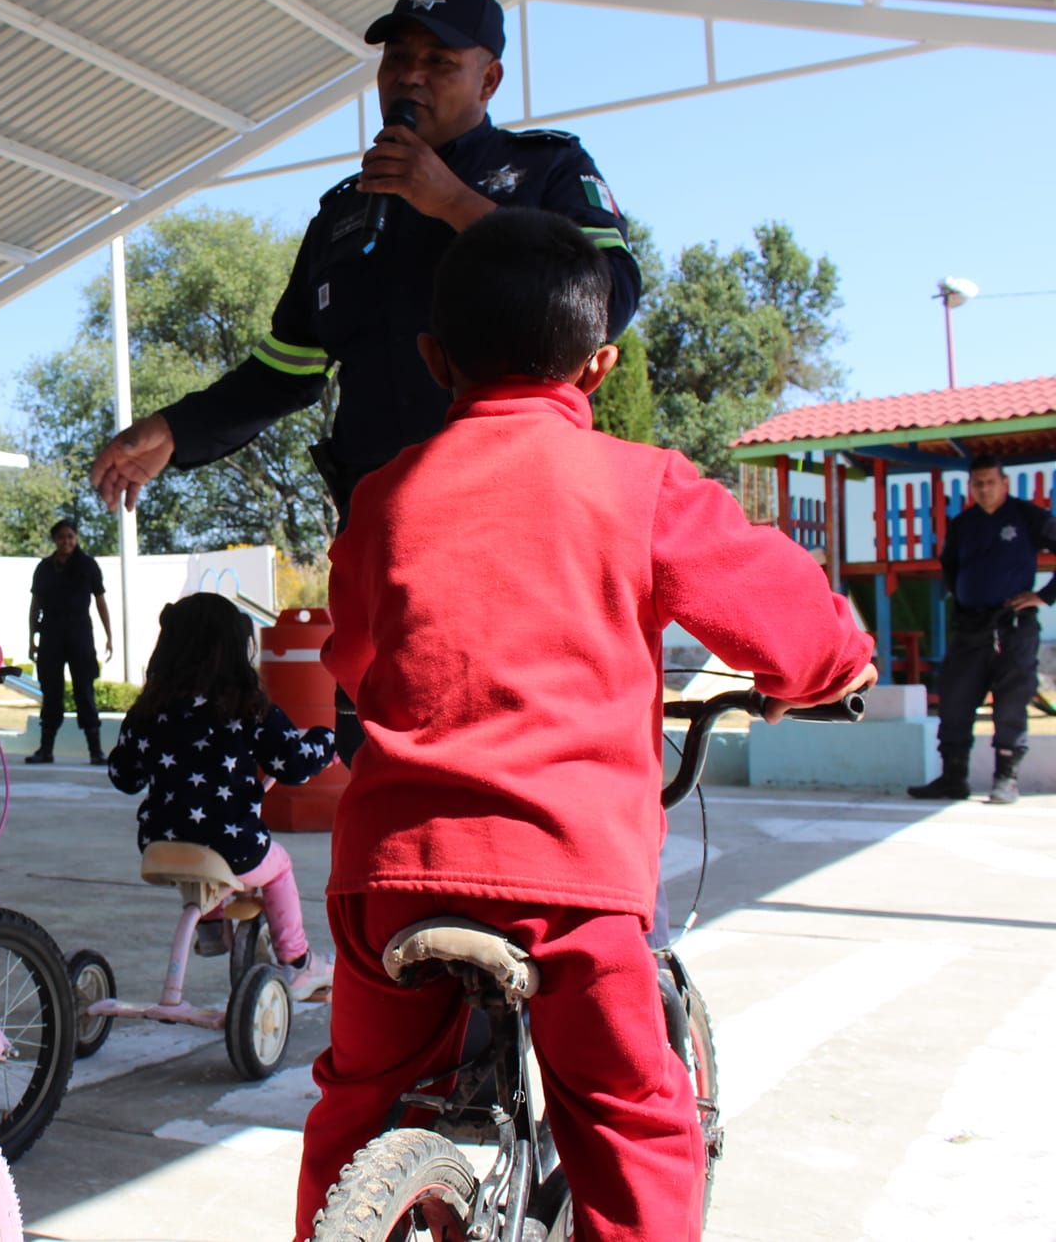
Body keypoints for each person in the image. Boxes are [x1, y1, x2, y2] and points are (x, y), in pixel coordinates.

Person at [299, 210, 875, 1242]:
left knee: (354, 1107)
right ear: (599, 365)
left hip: (384, 877)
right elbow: (785, 615)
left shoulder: (382, 497)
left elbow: (354, 653)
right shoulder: (641, 486)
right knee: (628, 1125)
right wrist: (831, 669)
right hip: (568, 889)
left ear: (433, 360)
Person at [90, 0, 640, 520]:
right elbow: (285, 370)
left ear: (489, 80)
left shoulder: (549, 170)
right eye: (396, 58)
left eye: (440, 61)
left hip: (514, 512)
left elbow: (608, 296)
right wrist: (173, 429)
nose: (410, 77)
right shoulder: (342, 214)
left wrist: (452, 202)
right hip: (379, 531)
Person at [104, 593, 337, 1001]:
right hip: (233, 845)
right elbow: (294, 766)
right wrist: (326, 742)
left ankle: (212, 927)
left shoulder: (148, 709)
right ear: (234, 648)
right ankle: (298, 963)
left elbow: (124, 776)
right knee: (277, 865)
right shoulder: (248, 706)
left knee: (202, 842)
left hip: (160, 845)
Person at [908, 456, 1055, 805]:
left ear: (1004, 483)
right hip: (970, 627)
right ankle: (952, 778)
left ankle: (1006, 779)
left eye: (990, 482)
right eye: (978, 484)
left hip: (1013, 626)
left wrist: (1044, 597)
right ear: (971, 487)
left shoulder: (1027, 517)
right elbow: (950, 567)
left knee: (1011, 703)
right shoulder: (964, 523)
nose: (984, 489)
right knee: (955, 700)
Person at [26, 519, 114, 765]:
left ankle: (95, 751)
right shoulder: (44, 568)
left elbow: (100, 601)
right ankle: (46, 749)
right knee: (51, 691)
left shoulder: (87, 565)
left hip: (79, 634)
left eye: (71, 537)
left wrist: (109, 635)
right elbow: (35, 605)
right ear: (55, 540)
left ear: (76, 538)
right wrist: (32, 638)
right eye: (62, 537)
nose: (67, 541)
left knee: (84, 690)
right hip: (51, 634)